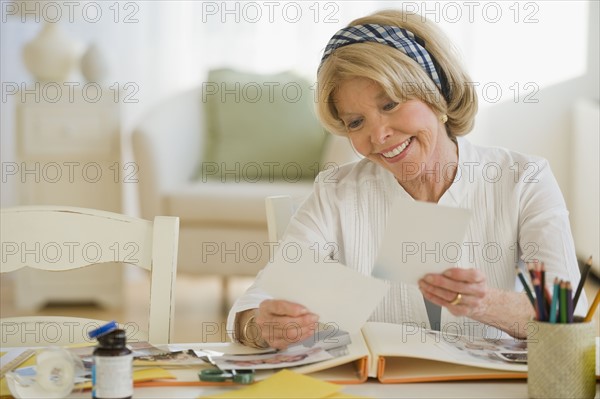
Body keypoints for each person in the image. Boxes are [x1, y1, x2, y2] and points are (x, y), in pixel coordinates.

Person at [227, 9, 588, 350]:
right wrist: (261, 326)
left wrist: (484, 304)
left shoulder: (523, 180)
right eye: (356, 122)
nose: (379, 134)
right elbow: (254, 304)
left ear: (437, 93)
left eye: (390, 105)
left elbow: (566, 315)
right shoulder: (337, 192)